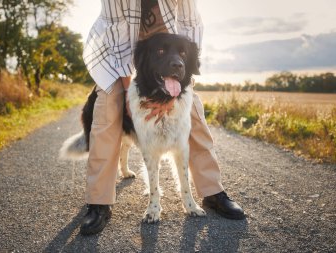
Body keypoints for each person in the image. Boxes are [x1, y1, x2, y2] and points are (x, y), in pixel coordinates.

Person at [81, 0, 245, 236]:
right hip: (116, 48)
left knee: (193, 111)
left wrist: (176, 93)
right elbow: (117, 41)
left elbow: (191, 27)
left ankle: (212, 191)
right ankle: (99, 202)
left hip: (166, 39)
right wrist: (130, 95)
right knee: (108, 109)